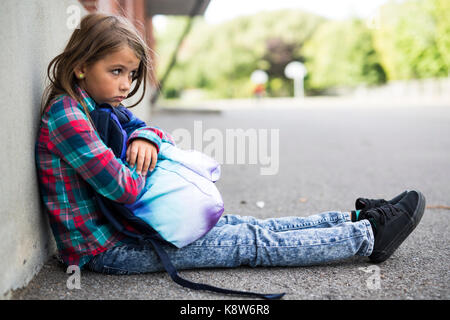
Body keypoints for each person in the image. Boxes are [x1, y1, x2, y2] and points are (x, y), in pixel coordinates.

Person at [36, 13, 426, 281]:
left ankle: (352, 218)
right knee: (247, 243)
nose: (125, 85)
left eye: (132, 74)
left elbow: (148, 130)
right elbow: (125, 187)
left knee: (247, 225)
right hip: (107, 250)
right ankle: (368, 237)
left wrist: (145, 138)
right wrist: (154, 166)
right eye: (116, 71)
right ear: (81, 66)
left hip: (129, 228)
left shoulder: (101, 106)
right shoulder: (67, 116)